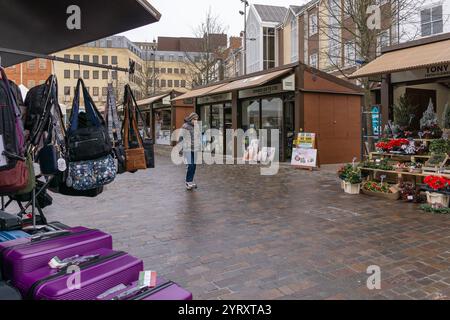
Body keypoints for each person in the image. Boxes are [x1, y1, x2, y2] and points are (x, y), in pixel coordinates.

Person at [180, 112, 201, 190]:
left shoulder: (197, 126)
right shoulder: (185, 126)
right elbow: (181, 138)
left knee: (194, 166)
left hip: (195, 149)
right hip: (187, 149)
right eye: (194, 119)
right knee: (190, 165)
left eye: (197, 119)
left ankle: (191, 181)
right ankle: (187, 182)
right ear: (191, 119)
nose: (195, 121)